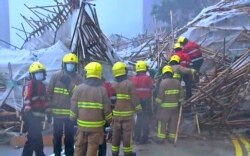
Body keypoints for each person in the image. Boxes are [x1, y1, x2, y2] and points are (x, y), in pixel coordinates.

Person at [70, 62, 112, 156]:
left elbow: (73, 108)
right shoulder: (102, 90)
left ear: (87, 74)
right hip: (96, 128)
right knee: (92, 149)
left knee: (79, 148)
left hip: (81, 127)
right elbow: (107, 110)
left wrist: (73, 118)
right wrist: (110, 121)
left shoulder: (78, 89)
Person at [47, 53, 83, 156]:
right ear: (64, 64)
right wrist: (48, 110)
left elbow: (79, 94)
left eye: (72, 64)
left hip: (70, 115)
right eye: (68, 63)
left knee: (70, 137)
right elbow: (49, 93)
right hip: (57, 113)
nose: (70, 65)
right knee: (57, 136)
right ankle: (57, 153)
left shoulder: (78, 78)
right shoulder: (55, 76)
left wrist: (70, 84)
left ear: (75, 65)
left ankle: (69, 154)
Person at [111, 62, 141, 156]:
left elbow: (112, 100)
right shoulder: (129, 84)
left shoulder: (113, 85)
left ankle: (114, 153)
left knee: (115, 134)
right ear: (125, 71)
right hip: (127, 116)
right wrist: (138, 109)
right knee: (126, 135)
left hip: (116, 116)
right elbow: (134, 98)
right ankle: (127, 153)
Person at [22, 62, 47, 156]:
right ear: (32, 74)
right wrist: (28, 113)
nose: (39, 74)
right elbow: (26, 99)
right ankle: (40, 154)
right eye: (37, 72)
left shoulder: (42, 85)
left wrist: (48, 112)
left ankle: (38, 153)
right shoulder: (29, 85)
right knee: (34, 137)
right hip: (30, 116)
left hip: (38, 116)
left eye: (41, 72)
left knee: (35, 137)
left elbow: (45, 100)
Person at [154, 65, 183, 144]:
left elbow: (160, 97)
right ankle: (172, 138)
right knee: (173, 123)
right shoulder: (177, 82)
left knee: (162, 123)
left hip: (164, 108)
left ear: (164, 74)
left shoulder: (163, 83)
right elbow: (181, 96)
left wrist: (156, 104)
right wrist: (180, 103)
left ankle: (160, 139)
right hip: (175, 107)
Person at [130, 60, 153, 144]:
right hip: (145, 101)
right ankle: (144, 138)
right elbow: (151, 87)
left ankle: (136, 137)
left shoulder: (133, 78)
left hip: (135, 102)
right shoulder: (147, 78)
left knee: (137, 119)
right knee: (144, 120)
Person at [98, 78, 116, 156]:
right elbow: (112, 101)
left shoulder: (86, 86)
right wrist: (110, 119)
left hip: (92, 118)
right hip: (103, 117)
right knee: (102, 139)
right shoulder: (107, 85)